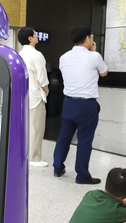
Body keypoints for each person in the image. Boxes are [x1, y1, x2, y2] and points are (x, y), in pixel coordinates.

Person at [52, 25, 108, 184]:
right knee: (84, 140)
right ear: (88, 38)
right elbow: (103, 72)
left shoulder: (63, 57)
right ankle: (82, 175)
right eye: (91, 37)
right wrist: (93, 53)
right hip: (87, 106)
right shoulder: (94, 56)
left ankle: (57, 167)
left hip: (68, 103)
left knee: (64, 137)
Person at [18, 27, 49, 167]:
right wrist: (46, 90)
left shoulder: (19, 54)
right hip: (36, 96)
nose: (37, 36)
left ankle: (24, 155)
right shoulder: (37, 55)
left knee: (25, 128)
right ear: (30, 38)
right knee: (36, 128)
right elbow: (42, 78)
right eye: (36, 34)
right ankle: (34, 158)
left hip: (23, 97)